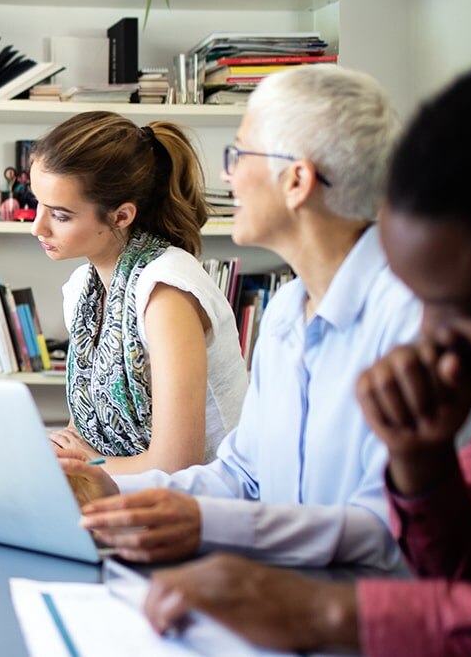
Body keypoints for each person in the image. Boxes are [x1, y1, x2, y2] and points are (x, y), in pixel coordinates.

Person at [141, 53, 471, 653]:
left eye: (467, 307)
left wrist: (328, 613)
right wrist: (421, 465)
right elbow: (468, 571)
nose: (439, 336)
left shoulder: (418, 323)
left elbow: (400, 555)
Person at [61, 65, 418, 569]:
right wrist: (112, 487)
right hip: (281, 594)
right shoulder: (287, 312)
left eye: (241, 154)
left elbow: (387, 528)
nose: (228, 176)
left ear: (296, 181)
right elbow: (239, 476)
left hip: (364, 621)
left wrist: (205, 524)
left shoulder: (408, 321)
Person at [31, 111, 247, 474]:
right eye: (37, 203)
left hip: (208, 504)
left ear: (121, 216)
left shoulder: (166, 293)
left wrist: (80, 465)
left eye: (61, 216)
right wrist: (62, 453)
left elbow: (177, 464)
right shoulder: (82, 290)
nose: (37, 227)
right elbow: (84, 431)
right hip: (128, 492)